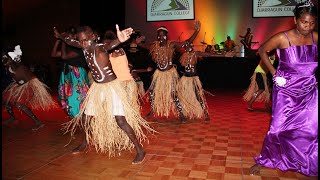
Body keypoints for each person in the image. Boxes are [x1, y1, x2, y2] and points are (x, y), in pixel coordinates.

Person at [54, 25, 156, 164]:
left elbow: (110, 45)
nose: (83, 43)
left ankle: (140, 150)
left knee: (120, 121)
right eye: (81, 40)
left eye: (86, 40)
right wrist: (60, 36)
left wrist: (120, 40)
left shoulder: (99, 47)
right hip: (97, 88)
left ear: (93, 37)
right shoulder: (82, 46)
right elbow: (70, 41)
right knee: (85, 117)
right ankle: (85, 142)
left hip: (112, 88)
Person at [249, 1, 318, 176]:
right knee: (278, 128)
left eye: (312, 23)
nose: (308, 26)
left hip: (309, 90)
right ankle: (267, 158)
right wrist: (274, 73)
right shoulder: (282, 38)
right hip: (286, 90)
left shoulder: (315, 37)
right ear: (295, 20)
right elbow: (262, 50)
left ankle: (306, 159)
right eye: (304, 22)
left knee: (310, 128)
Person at [136, 20, 201, 123]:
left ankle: (181, 114)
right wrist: (138, 42)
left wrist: (196, 31)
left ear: (167, 35)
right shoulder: (154, 46)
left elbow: (187, 42)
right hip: (158, 74)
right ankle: (153, 110)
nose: (161, 37)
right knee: (152, 92)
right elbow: (144, 46)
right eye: (159, 35)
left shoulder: (172, 45)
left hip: (170, 74)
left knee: (174, 94)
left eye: (163, 35)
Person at [2, 45, 57, 130]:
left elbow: (30, 78)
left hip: (28, 85)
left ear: (11, 58)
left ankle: (38, 122)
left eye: (5, 57)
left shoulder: (19, 67)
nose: (3, 59)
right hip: (19, 84)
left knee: (19, 104)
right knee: (5, 99)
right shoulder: (8, 66)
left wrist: (21, 84)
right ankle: (12, 117)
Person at [177, 40, 229, 122]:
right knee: (182, 96)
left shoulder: (195, 54)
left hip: (193, 79)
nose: (189, 47)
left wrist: (223, 54)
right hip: (185, 79)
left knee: (198, 96)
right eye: (187, 46)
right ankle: (184, 113)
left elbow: (209, 54)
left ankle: (205, 113)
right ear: (185, 48)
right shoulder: (183, 56)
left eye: (190, 45)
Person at [51, 26, 90, 118]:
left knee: (78, 98)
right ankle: (76, 116)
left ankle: (83, 117)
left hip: (77, 75)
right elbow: (53, 54)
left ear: (75, 36)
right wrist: (59, 40)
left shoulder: (79, 48)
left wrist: (63, 39)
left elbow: (64, 57)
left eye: (68, 36)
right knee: (63, 98)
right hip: (67, 75)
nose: (67, 38)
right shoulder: (68, 49)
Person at [102, 30, 141, 112]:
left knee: (123, 110)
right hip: (120, 83)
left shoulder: (116, 51)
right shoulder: (117, 51)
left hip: (123, 83)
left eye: (107, 43)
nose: (105, 46)